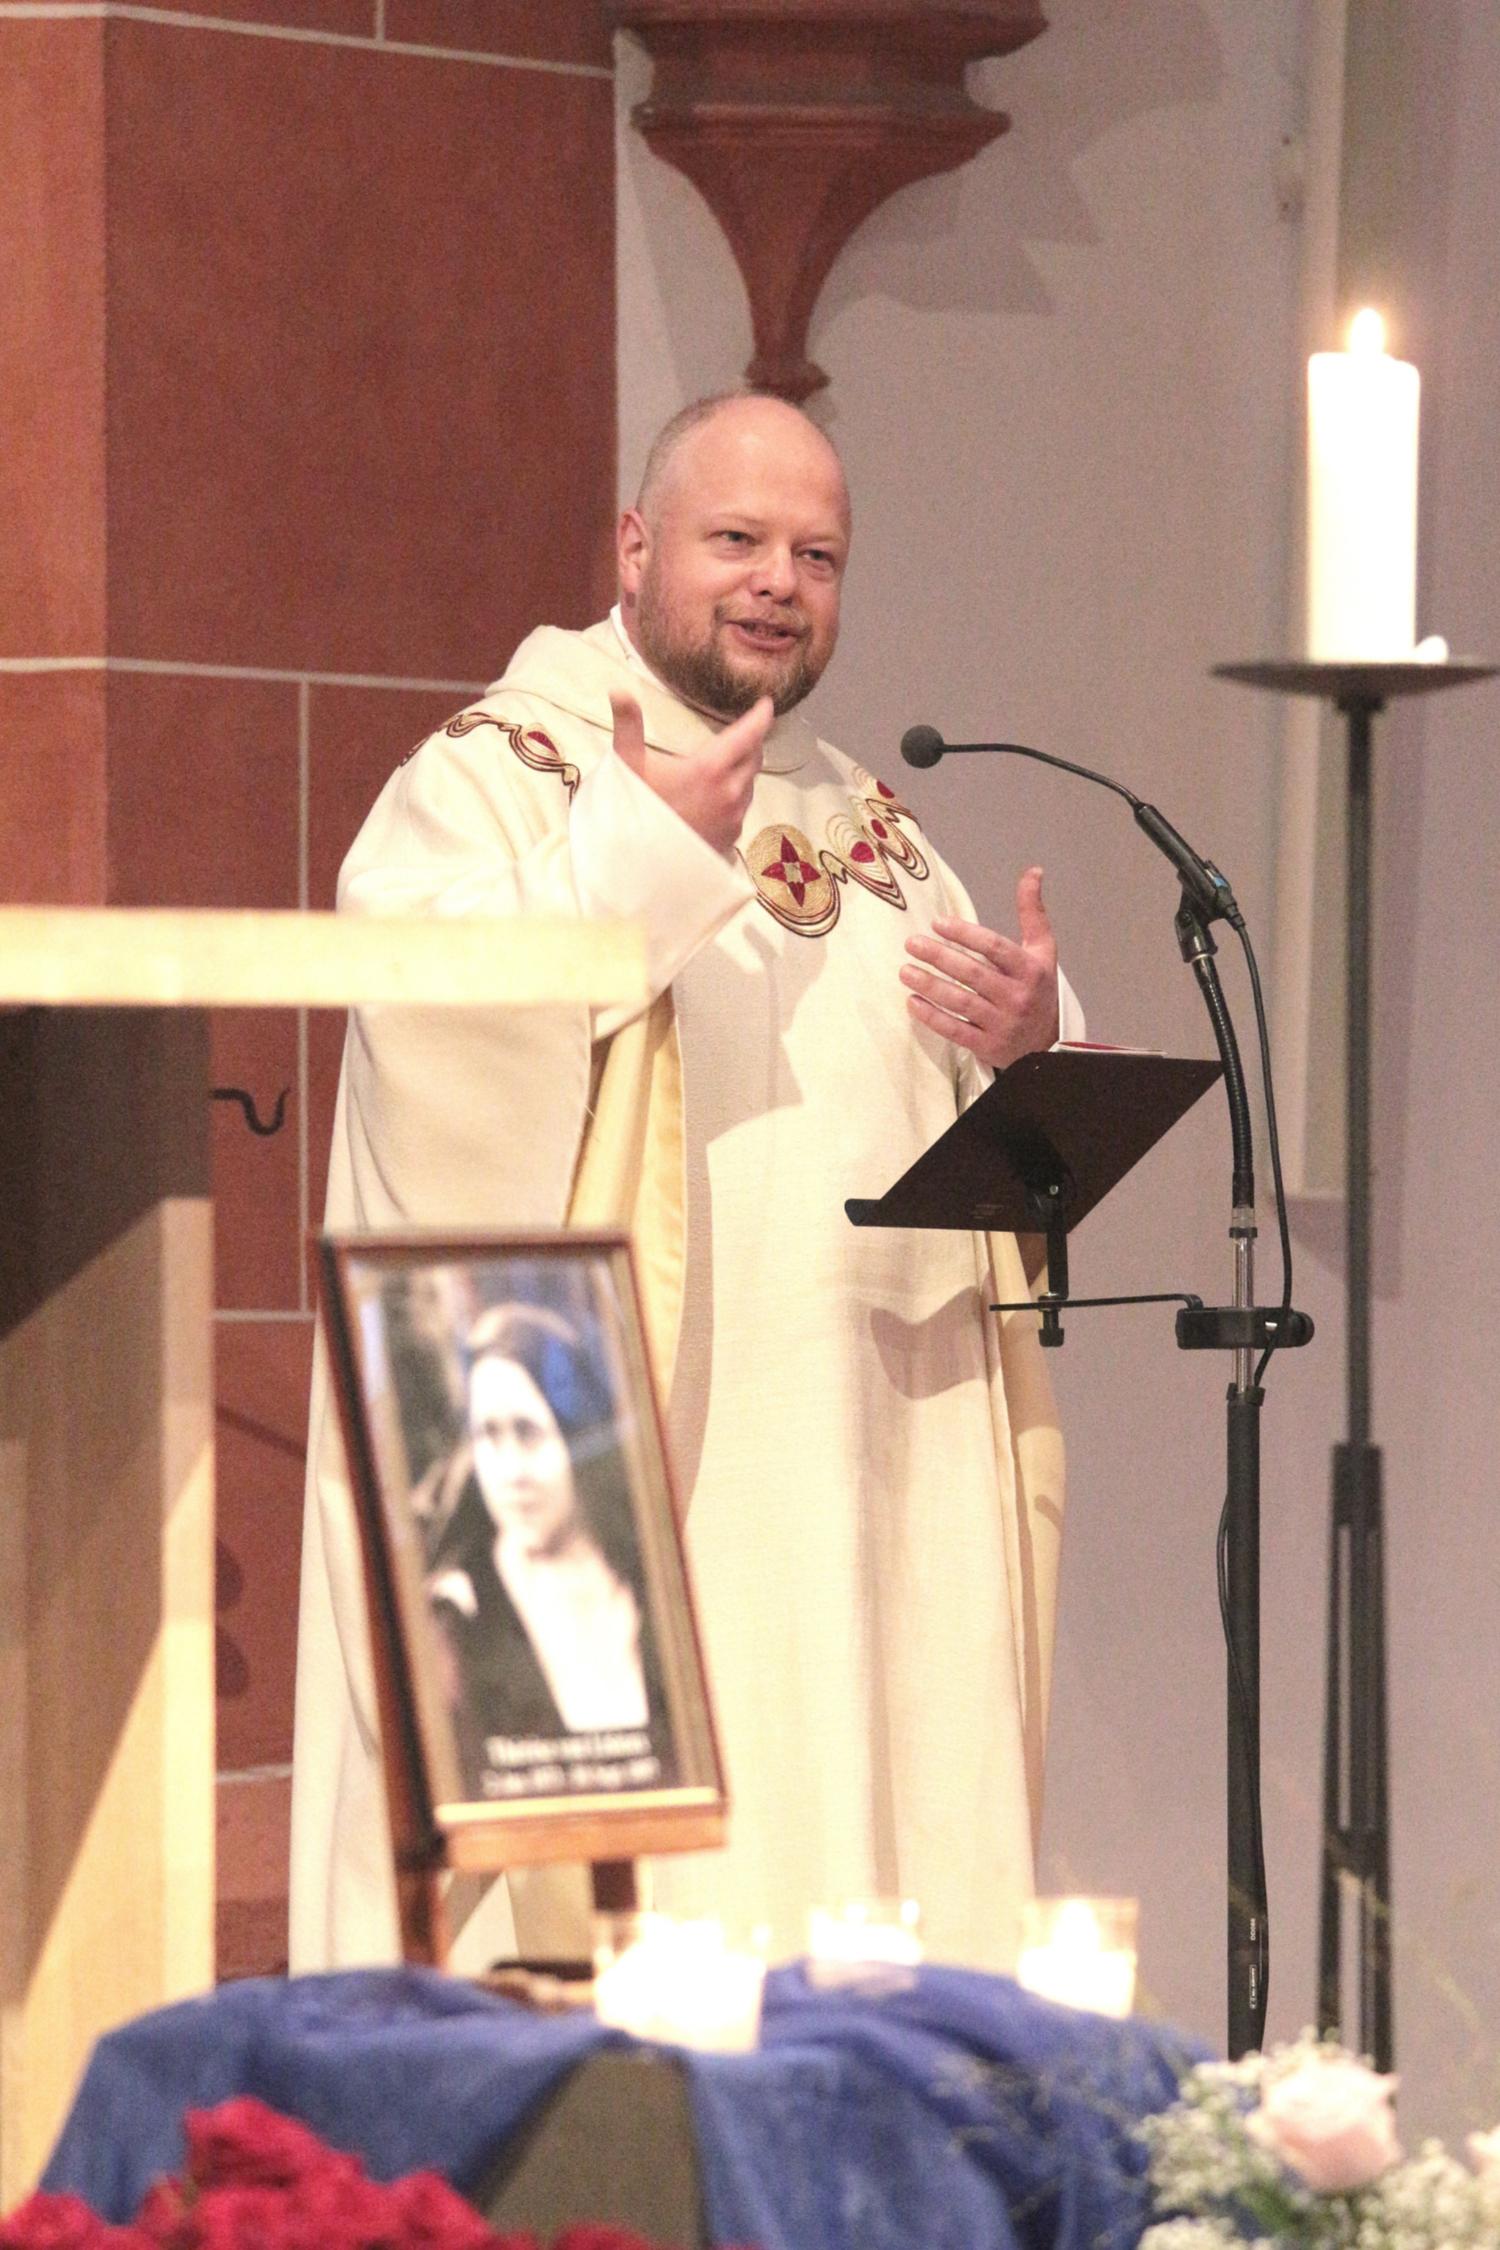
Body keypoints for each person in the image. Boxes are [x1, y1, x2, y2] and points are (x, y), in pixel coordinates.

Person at [290, 390, 1083, 1975]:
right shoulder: (507, 769)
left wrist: (1033, 1038)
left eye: (818, 554)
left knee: (863, 1878)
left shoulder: (864, 821)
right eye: (737, 541)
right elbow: (412, 1002)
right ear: (638, 550)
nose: (778, 582)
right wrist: (632, 856)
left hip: (867, 1489)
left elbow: (953, 1119)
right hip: (641, 1462)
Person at [424, 1302, 669, 1798]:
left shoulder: (649, 1583)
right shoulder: (458, 1613)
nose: (510, 1471)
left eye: (529, 1433)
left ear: (577, 1437)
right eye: (488, 1436)